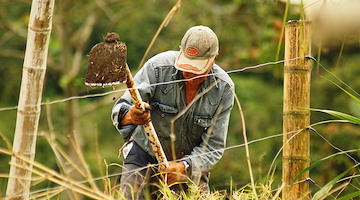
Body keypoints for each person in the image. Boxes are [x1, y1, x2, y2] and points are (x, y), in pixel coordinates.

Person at [111, 25, 234, 199]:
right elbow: (120, 110)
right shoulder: (157, 67)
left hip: (189, 165)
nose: (189, 73)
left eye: (196, 68)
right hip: (144, 154)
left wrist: (184, 168)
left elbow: (213, 147)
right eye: (186, 65)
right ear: (180, 51)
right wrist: (131, 115)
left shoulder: (224, 89)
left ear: (214, 59)